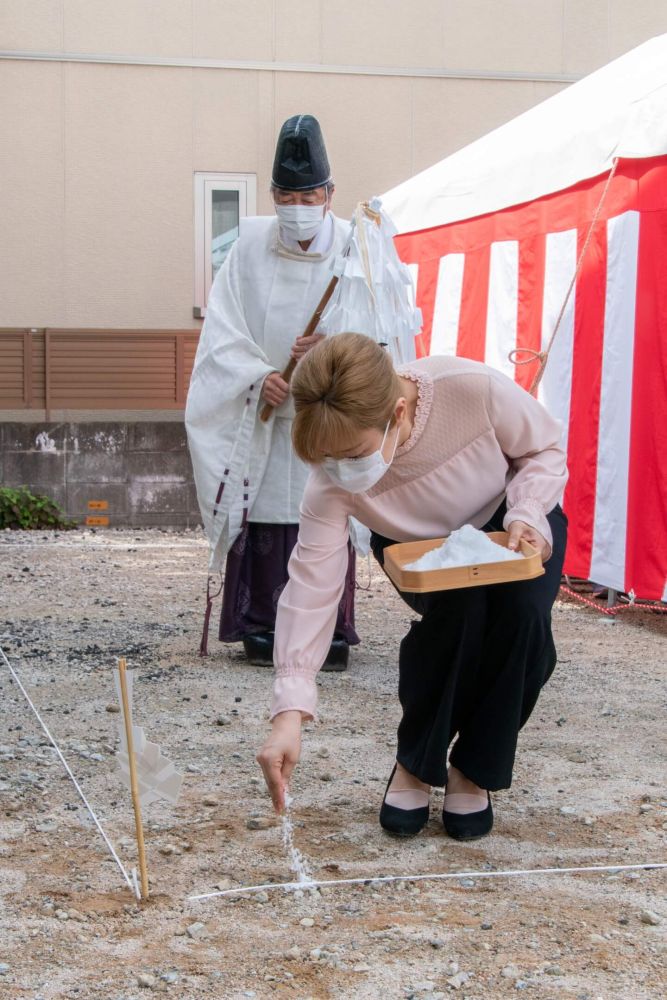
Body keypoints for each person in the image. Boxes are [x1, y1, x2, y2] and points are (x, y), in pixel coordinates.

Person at [257, 333, 568, 840]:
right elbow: (311, 589)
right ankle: (417, 764)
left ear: (398, 413)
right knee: (456, 618)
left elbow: (544, 447)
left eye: (353, 453)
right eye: (326, 459)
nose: (340, 470)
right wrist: (289, 712)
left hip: (511, 519)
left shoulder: (472, 388)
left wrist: (528, 510)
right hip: (416, 545)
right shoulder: (333, 484)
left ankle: (473, 769)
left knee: (524, 621)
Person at [186, 114, 359, 669]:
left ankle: (327, 631)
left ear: (330, 194)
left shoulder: (358, 250)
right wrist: (260, 377)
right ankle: (261, 624)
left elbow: (378, 333)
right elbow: (222, 333)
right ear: (272, 195)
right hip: (264, 412)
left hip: (325, 417)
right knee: (265, 510)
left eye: (308, 194)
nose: (297, 205)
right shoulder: (248, 245)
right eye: (287, 194)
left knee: (326, 514)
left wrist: (328, 352)